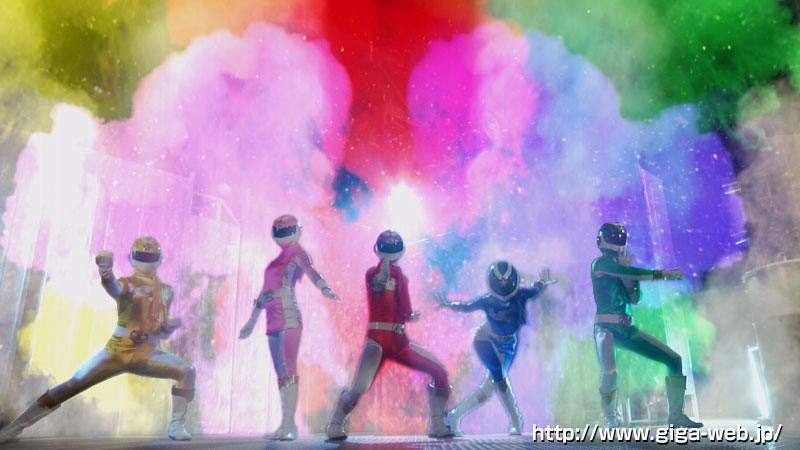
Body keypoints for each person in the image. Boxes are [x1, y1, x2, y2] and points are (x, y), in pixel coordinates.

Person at [0, 237, 196, 443]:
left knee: (187, 371)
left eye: (150, 256)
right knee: (72, 384)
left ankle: (177, 424)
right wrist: (106, 272)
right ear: (132, 258)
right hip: (116, 351)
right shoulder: (127, 284)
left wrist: (167, 327)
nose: (146, 261)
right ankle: (15, 428)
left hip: (147, 352)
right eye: (142, 256)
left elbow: (158, 327)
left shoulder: (166, 292)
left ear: (158, 259)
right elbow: (114, 289)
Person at [325, 230, 455, 440]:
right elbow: (378, 283)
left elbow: (404, 310)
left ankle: (437, 424)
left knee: (439, 372)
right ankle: (335, 423)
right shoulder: (373, 274)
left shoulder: (401, 277)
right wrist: (384, 272)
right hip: (377, 341)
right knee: (360, 387)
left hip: (400, 342)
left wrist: (413, 312)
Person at [591, 222, 702, 428]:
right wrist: (664, 274)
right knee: (610, 372)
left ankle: (676, 416)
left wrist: (628, 281)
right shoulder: (599, 264)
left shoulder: (623, 270)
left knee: (674, 360)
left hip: (627, 329)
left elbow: (635, 299)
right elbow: (633, 274)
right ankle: (611, 419)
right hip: (606, 329)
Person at [239, 214, 339, 441]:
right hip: (272, 319)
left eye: (286, 230)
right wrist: (251, 322)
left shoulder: (298, 253)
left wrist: (324, 288)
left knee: (288, 367)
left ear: (296, 231)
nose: (282, 235)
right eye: (280, 231)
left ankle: (288, 426)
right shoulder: (275, 262)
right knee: (280, 371)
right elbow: (263, 294)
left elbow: (312, 271)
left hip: (289, 316)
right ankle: (286, 423)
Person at [434, 261, 554, 436]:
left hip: (508, 345)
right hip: (485, 339)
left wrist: (542, 281)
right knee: (499, 377)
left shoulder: (520, 295)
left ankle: (453, 417)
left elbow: (535, 289)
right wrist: (449, 305)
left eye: (506, 282)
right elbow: (467, 307)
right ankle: (516, 420)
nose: (503, 286)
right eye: (500, 282)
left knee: (488, 388)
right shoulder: (487, 300)